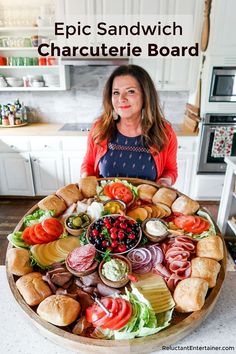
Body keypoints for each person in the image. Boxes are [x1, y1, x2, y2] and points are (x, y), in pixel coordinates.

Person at [80, 64, 178, 186]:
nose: (121, 98)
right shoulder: (99, 128)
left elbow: (170, 170)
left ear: (145, 96)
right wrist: (86, 182)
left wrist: (165, 182)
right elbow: (88, 164)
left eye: (130, 91)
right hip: (106, 203)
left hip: (146, 205)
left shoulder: (164, 132)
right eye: (116, 92)